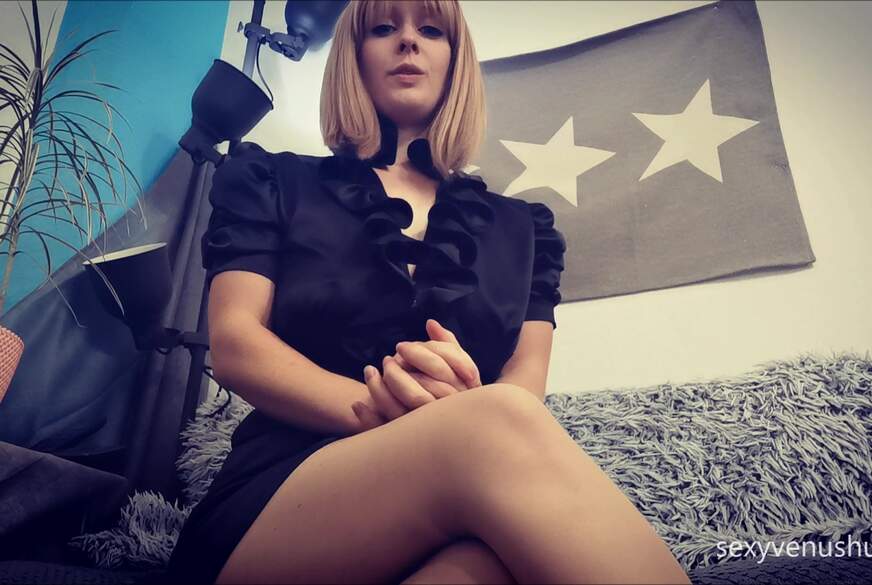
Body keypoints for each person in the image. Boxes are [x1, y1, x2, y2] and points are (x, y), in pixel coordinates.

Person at [166, 1, 692, 583]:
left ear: (456, 59)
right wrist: (407, 417)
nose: (408, 42)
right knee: (493, 425)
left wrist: (464, 418)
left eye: (431, 30)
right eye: (383, 28)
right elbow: (237, 345)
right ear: (353, 56)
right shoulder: (271, 179)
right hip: (283, 494)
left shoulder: (528, 230)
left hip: (464, 504)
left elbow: (525, 384)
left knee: (493, 562)